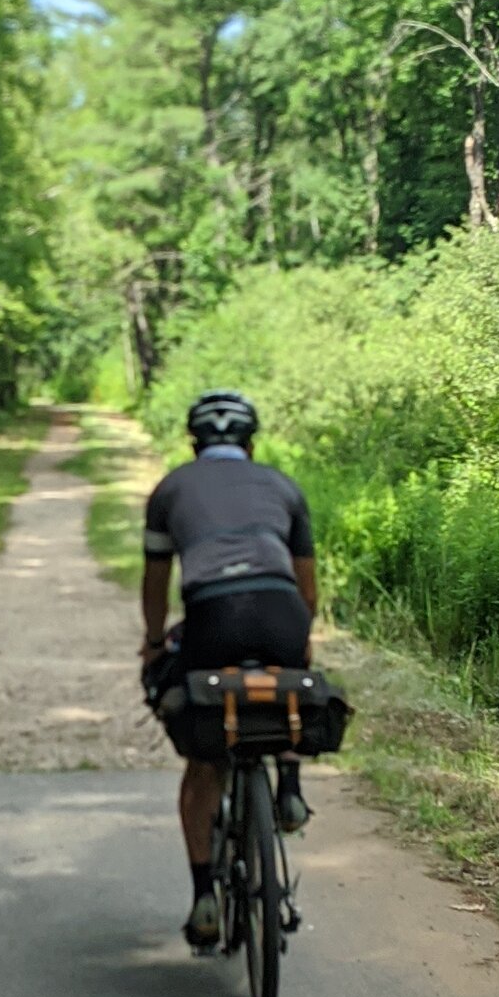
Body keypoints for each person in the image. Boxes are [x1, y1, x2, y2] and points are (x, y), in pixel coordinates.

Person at [139, 389, 318, 951]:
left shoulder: (170, 489)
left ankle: (204, 899)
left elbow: (155, 583)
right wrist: (299, 639)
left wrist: (151, 642)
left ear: (194, 444)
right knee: (286, 681)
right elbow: (306, 584)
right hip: (281, 610)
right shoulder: (284, 487)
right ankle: (288, 784)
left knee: (203, 757)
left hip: (212, 615)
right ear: (251, 443)